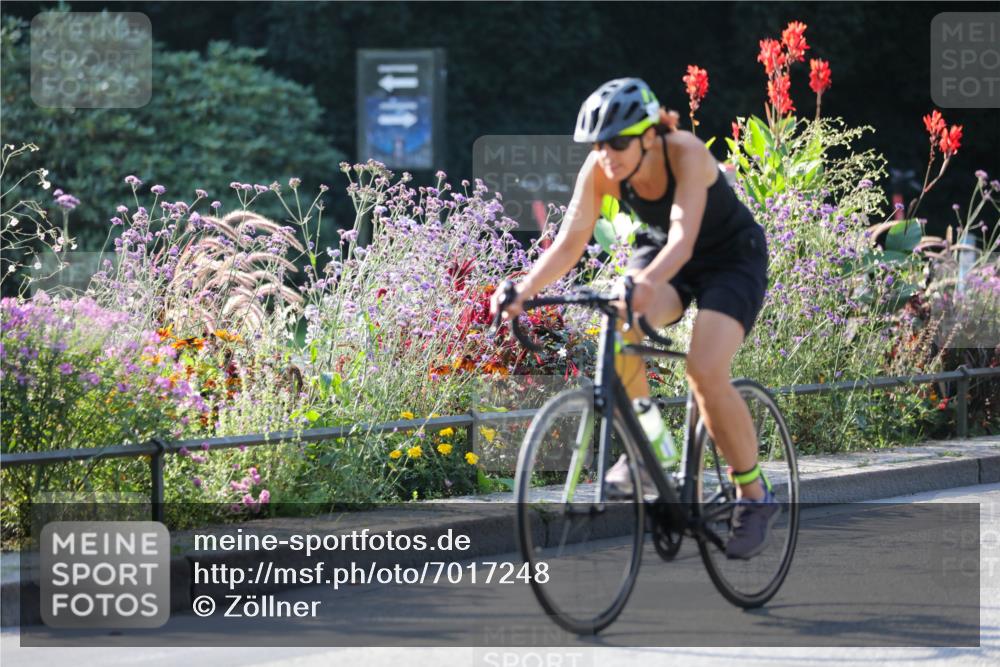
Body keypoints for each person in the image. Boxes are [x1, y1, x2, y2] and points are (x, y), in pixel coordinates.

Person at [489, 77, 777, 560]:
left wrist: (644, 283)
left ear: (649, 135)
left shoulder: (684, 152)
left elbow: (685, 240)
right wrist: (523, 289)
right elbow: (568, 244)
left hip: (729, 259)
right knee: (618, 326)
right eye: (599, 144)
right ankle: (653, 454)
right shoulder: (602, 169)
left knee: (704, 370)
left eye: (618, 142)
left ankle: (754, 493)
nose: (607, 154)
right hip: (663, 252)